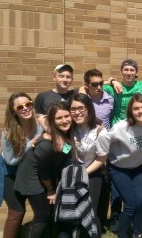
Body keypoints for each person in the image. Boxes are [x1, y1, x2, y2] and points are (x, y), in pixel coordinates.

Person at [97, 94, 142, 238]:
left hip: (137, 167)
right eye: (136, 108)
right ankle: (123, 235)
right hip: (119, 168)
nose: (141, 111)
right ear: (130, 111)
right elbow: (103, 138)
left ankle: (137, 233)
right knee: (131, 204)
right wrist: (103, 158)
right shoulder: (121, 127)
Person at [0, 92, 43, 238]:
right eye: (20, 107)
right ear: (13, 111)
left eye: (28, 104)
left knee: (43, 211)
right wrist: (29, 145)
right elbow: (10, 161)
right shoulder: (8, 132)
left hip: (31, 174)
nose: (25, 108)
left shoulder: (40, 122)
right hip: (10, 174)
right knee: (16, 212)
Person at [103, 58, 142, 231]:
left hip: (136, 130)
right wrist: (112, 80)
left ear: (136, 72)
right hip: (119, 133)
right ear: (121, 71)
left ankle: (131, 219)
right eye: (126, 70)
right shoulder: (110, 87)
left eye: (132, 70)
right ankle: (116, 215)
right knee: (117, 183)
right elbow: (89, 86)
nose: (129, 73)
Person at [14, 102, 73, 238]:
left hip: (46, 176)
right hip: (33, 178)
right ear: (52, 121)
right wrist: (51, 191)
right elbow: (43, 171)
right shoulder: (45, 145)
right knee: (43, 215)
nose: (64, 120)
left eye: (66, 116)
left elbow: (65, 153)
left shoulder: (63, 134)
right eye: (59, 118)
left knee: (50, 213)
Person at [57, 94, 108, 237]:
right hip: (69, 175)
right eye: (73, 109)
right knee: (69, 212)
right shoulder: (68, 127)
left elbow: (101, 158)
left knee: (90, 212)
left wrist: (84, 172)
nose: (77, 112)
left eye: (81, 108)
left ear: (89, 109)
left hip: (91, 173)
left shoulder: (100, 132)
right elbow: (46, 118)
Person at [82, 69, 114, 232]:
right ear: (87, 86)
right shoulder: (82, 100)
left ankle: (100, 222)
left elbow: (111, 120)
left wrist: (111, 81)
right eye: (94, 84)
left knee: (105, 186)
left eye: (101, 83)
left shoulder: (110, 99)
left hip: (104, 149)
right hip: (86, 149)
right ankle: (88, 220)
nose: (99, 87)